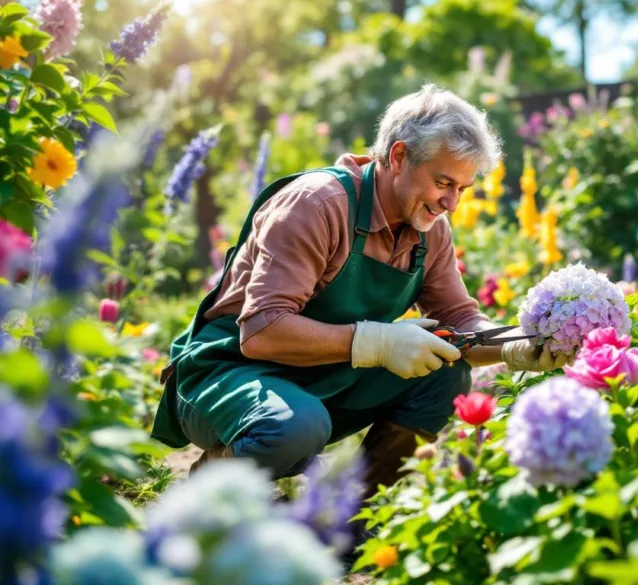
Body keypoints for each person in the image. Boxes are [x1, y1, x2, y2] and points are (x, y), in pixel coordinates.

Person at [150, 84, 570, 493]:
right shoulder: (315, 206)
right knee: (294, 428)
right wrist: (378, 342)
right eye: (443, 183)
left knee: (445, 371)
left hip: (320, 380)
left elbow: (460, 321)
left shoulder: (430, 230)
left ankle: (353, 520)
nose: (452, 205)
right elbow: (261, 332)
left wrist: (520, 344)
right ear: (400, 156)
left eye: (462, 189)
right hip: (228, 373)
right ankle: (211, 488)